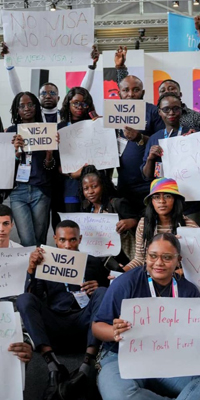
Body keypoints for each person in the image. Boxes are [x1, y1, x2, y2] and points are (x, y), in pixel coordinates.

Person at [92, 233, 200, 400]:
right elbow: (96, 328)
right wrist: (114, 332)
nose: (158, 263)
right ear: (146, 256)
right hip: (121, 356)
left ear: (179, 259)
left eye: (167, 257)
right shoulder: (126, 282)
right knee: (119, 395)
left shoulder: (189, 291)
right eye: (153, 256)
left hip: (169, 358)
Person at [16, 219, 107, 400]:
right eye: (63, 240)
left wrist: (99, 287)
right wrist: (32, 269)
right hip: (55, 322)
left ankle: (86, 367)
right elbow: (32, 297)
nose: (67, 246)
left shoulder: (93, 263)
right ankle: (53, 366)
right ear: (55, 239)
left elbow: (108, 299)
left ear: (80, 239)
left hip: (85, 323)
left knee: (104, 292)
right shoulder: (43, 262)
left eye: (72, 240)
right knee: (24, 299)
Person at [113, 46, 165, 214]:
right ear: (119, 93)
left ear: (142, 92)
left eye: (135, 90)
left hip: (148, 183)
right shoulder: (113, 112)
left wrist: (140, 137)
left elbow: (164, 142)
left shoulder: (153, 112)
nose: (130, 94)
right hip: (124, 183)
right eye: (126, 90)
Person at [7, 91, 56, 246]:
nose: (26, 108)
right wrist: (15, 154)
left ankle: (36, 271)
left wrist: (49, 155)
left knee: (40, 240)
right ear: (17, 110)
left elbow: (50, 168)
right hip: (17, 191)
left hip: (40, 189)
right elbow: (5, 167)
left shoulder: (47, 130)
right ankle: (29, 270)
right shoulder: (10, 132)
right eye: (22, 106)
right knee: (27, 240)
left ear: (36, 107)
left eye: (30, 104)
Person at [1, 43, 99, 119]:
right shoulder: (34, 116)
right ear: (38, 97)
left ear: (59, 98)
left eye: (52, 93)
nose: (48, 96)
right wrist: (9, 65)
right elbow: (19, 95)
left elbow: (82, 92)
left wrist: (91, 67)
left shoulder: (65, 116)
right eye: (43, 93)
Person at [123, 178, 198, 271]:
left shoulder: (189, 226)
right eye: (156, 197)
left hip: (179, 277)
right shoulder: (144, 224)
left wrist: (180, 272)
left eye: (167, 196)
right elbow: (139, 259)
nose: (162, 201)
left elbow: (197, 262)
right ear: (152, 201)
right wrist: (122, 271)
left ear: (175, 200)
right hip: (152, 275)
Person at [79, 165, 137, 262]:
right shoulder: (86, 207)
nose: (90, 192)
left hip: (122, 257)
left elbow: (141, 221)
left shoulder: (117, 203)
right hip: (98, 257)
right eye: (86, 188)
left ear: (103, 186)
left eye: (94, 186)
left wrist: (131, 222)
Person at [57, 87, 97, 213]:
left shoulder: (95, 124)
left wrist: (101, 125)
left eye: (84, 104)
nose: (80, 107)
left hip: (95, 185)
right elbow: (56, 163)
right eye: (76, 103)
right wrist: (71, 173)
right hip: (71, 185)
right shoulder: (61, 128)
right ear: (68, 103)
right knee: (73, 224)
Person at [142, 92, 191, 180]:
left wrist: (194, 142)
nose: (171, 113)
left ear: (181, 110)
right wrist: (150, 159)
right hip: (162, 190)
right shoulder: (154, 138)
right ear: (159, 112)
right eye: (166, 109)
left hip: (187, 189)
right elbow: (147, 175)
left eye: (176, 108)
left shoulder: (191, 134)